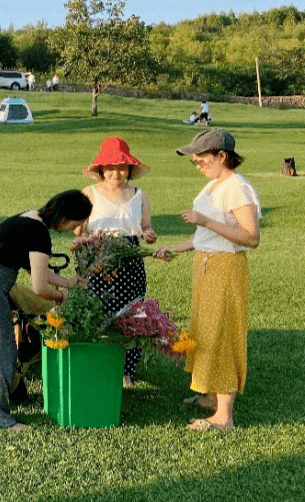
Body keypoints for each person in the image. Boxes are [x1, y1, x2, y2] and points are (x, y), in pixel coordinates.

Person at [154, 129, 261, 431]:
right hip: (207, 267)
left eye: (201, 160)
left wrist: (205, 220)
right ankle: (212, 397)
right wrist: (176, 248)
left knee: (223, 332)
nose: (197, 165)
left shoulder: (238, 188)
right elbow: (208, 236)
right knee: (207, 330)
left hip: (225, 269)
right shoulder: (215, 186)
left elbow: (251, 237)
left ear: (222, 156)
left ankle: (223, 416)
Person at [0, 189, 92, 431]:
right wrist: (61, 296)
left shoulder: (31, 218)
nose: (75, 228)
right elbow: (40, 287)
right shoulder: (39, 233)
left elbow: (37, 269)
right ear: (65, 217)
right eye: (76, 223)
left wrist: (69, 282)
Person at [75, 137, 157, 387]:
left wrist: (149, 235)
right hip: (99, 259)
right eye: (111, 167)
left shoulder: (140, 195)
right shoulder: (88, 194)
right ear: (101, 170)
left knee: (132, 314)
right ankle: (98, 362)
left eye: (122, 167)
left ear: (130, 170)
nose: (117, 173)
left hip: (130, 260)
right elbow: (77, 230)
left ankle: (126, 370)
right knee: (98, 311)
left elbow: (146, 228)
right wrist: (84, 237)